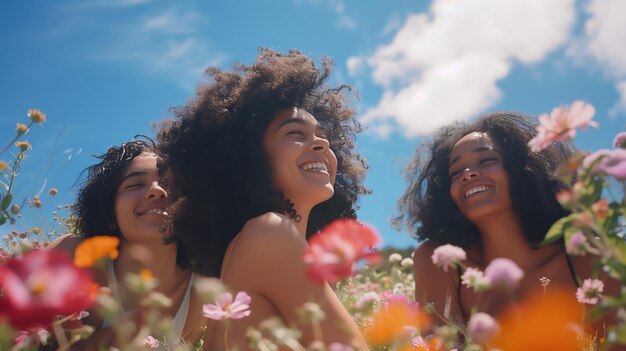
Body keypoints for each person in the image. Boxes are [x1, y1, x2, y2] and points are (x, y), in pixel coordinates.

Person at [157, 49, 369, 350]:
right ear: (250, 160)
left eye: (323, 136)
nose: (321, 143)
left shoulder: (265, 239)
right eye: (296, 134)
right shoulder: (269, 233)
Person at [396, 112, 618, 324]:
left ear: (524, 169)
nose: (468, 174)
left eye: (486, 160)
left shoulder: (584, 256)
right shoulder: (439, 264)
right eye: (456, 173)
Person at [48, 138, 206, 349]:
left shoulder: (204, 290)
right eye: (135, 184)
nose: (157, 190)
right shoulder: (72, 257)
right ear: (110, 215)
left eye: (170, 183)